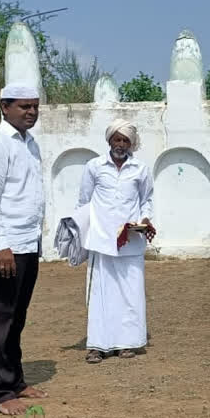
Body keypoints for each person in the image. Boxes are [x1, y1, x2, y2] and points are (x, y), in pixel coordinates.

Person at [0, 83, 48, 415]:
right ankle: (0, 393)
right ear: (4, 107)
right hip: (2, 246)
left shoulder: (30, 144)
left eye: (34, 106)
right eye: (23, 106)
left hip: (26, 243)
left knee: (17, 318)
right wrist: (0, 244)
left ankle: (15, 381)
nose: (30, 112)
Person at [78, 119, 155, 363]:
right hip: (101, 241)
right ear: (109, 140)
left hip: (131, 240)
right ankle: (97, 346)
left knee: (130, 293)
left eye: (125, 140)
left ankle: (127, 343)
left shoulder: (140, 169)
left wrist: (144, 220)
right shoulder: (94, 166)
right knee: (101, 293)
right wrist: (82, 236)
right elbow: (83, 203)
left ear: (131, 144)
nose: (120, 144)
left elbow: (148, 200)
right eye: (117, 139)